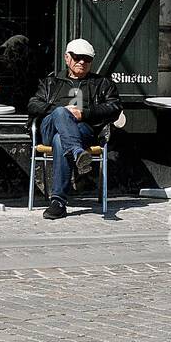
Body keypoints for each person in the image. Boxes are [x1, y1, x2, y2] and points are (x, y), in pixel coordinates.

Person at [27, 38, 123, 220]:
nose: (82, 62)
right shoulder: (51, 82)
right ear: (67, 58)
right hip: (50, 127)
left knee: (60, 142)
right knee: (61, 113)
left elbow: (115, 107)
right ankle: (78, 152)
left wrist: (84, 113)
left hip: (84, 132)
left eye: (87, 59)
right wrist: (57, 111)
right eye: (77, 57)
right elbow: (33, 104)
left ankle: (58, 202)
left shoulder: (102, 84)